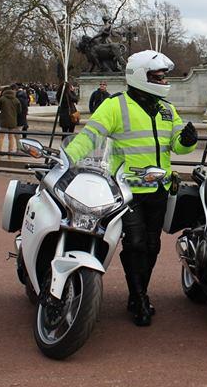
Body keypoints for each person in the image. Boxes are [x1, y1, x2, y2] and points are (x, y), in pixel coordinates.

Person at [64, 51, 198, 326]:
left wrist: (188, 140)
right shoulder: (115, 106)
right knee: (135, 243)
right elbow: (90, 137)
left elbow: (178, 145)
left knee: (152, 245)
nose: (162, 81)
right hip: (126, 190)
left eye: (162, 77)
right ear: (140, 76)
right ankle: (138, 297)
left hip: (158, 188)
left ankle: (139, 292)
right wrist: (66, 160)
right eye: (156, 77)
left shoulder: (166, 108)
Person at [0, 86, 22, 153]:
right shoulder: (16, 100)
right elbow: (19, 111)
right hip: (13, 121)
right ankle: (10, 152)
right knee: (11, 138)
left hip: (3, 121)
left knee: (1, 137)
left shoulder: (2, 99)